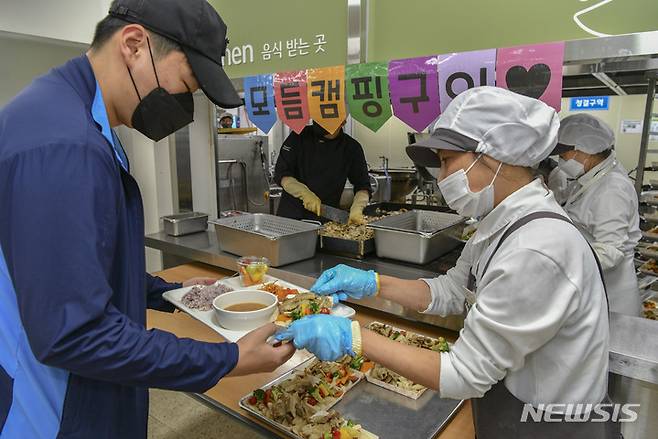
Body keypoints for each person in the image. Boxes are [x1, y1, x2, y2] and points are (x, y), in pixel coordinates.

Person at [0, 1, 294, 437]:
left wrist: (167, 291)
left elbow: (74, 270)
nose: (184, 103)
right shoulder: (64, 146)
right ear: (134, 44)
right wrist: (227, 360)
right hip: (55, 413)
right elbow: (76, 334)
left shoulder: (77, 118)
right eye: (187, 83)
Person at [276, 87, 618, 438]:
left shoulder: (536, 248)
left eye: (446, 161)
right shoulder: (499, 221)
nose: (441, 178)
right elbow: (453, 290)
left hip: (552, 424)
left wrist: (354, 338)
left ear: (492, 156)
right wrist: (373, 283)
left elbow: (464, 373)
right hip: (512, 401)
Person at [547, 114, 641, 316]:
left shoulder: (612, 188)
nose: (560, 160)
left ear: (586, 151)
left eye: (564, 155)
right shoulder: (591, 177)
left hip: (612, 294)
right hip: (592, 285)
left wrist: (560, 264)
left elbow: (611, 251)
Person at [274, 120, 371, 223]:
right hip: (291, 216)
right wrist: (304, 193)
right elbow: (282, 173)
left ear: (343, 121)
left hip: (326, 219)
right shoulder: (298, 136)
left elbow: (363, 185)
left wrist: (357, 208)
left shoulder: (351, 147)